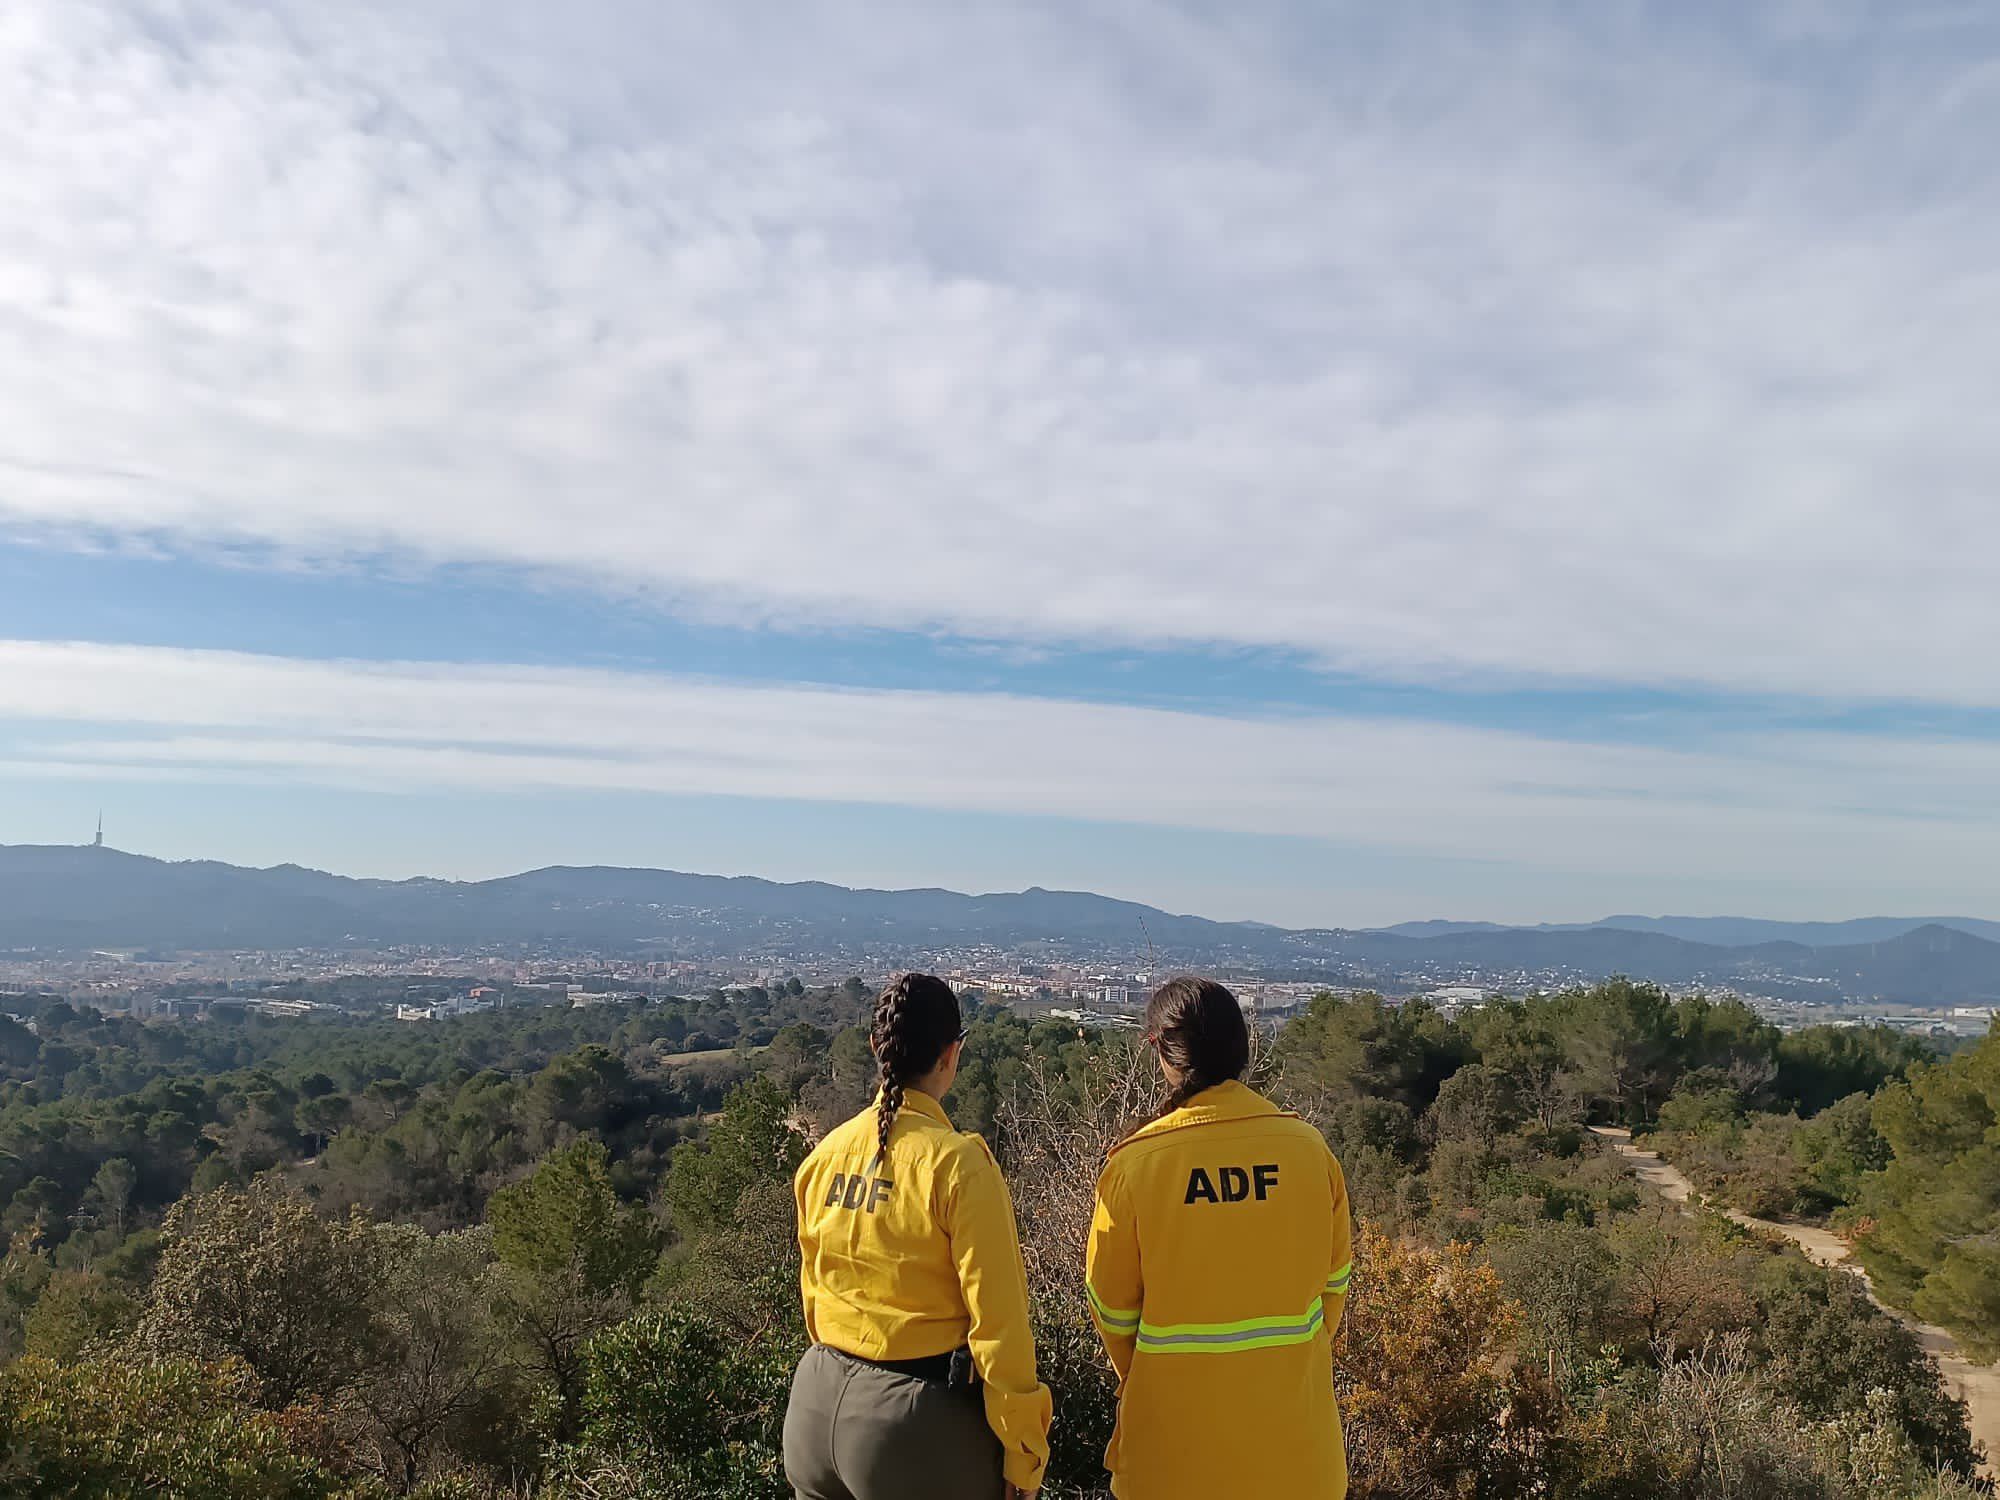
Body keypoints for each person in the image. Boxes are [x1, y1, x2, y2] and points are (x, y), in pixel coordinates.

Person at [785, 973, 1051, 1500]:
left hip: (814, 1407)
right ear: (952, 1055)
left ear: (875, 1047)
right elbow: (1000, 1329)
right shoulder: (958, 1164)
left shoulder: (823, 1157)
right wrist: (1023, 1455)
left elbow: (814, 1298)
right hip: (912, 1424)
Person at [1086, 976, 1353, 1499]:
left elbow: (1110, 1309)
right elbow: (1333, 1287)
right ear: (1242, 1047)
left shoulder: (1136, 1166)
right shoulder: (1309, 1151)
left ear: (1160, 1049)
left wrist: (1145, 1378)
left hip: (1168, 1466)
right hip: (1300, 1464)